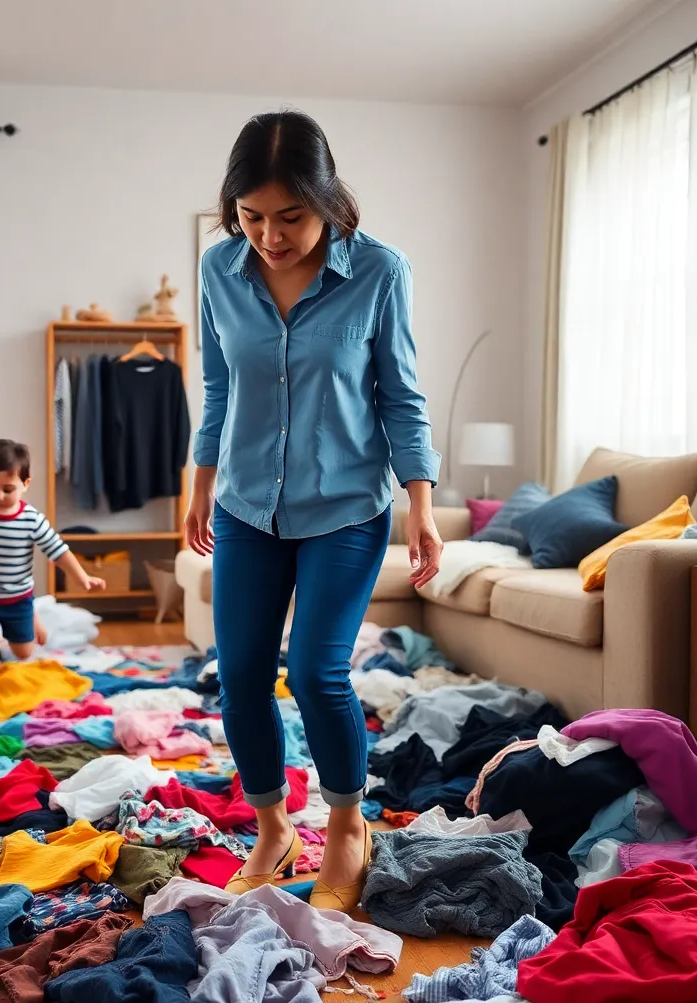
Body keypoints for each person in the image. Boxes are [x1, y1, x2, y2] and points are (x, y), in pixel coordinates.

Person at [184, 110, 444, 912]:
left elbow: (400, 396)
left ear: (325, 200)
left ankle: (344, 823)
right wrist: (198, 487)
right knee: (242, 680)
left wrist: (422, 508)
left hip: (346, 509)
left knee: (318, 673)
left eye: (289, 217)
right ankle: (271, 826)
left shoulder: (380, 271)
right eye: (252, 218)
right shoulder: (218, 271)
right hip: (244, 508)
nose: (269, 235)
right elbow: (220, 387)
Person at [0, 438, 105, 666]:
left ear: (25, 483)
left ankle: (33, 616)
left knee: (24, 653)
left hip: (16, 599)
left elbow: (58, 551)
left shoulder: (31, 520)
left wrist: (81, 576)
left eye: (8, 489)